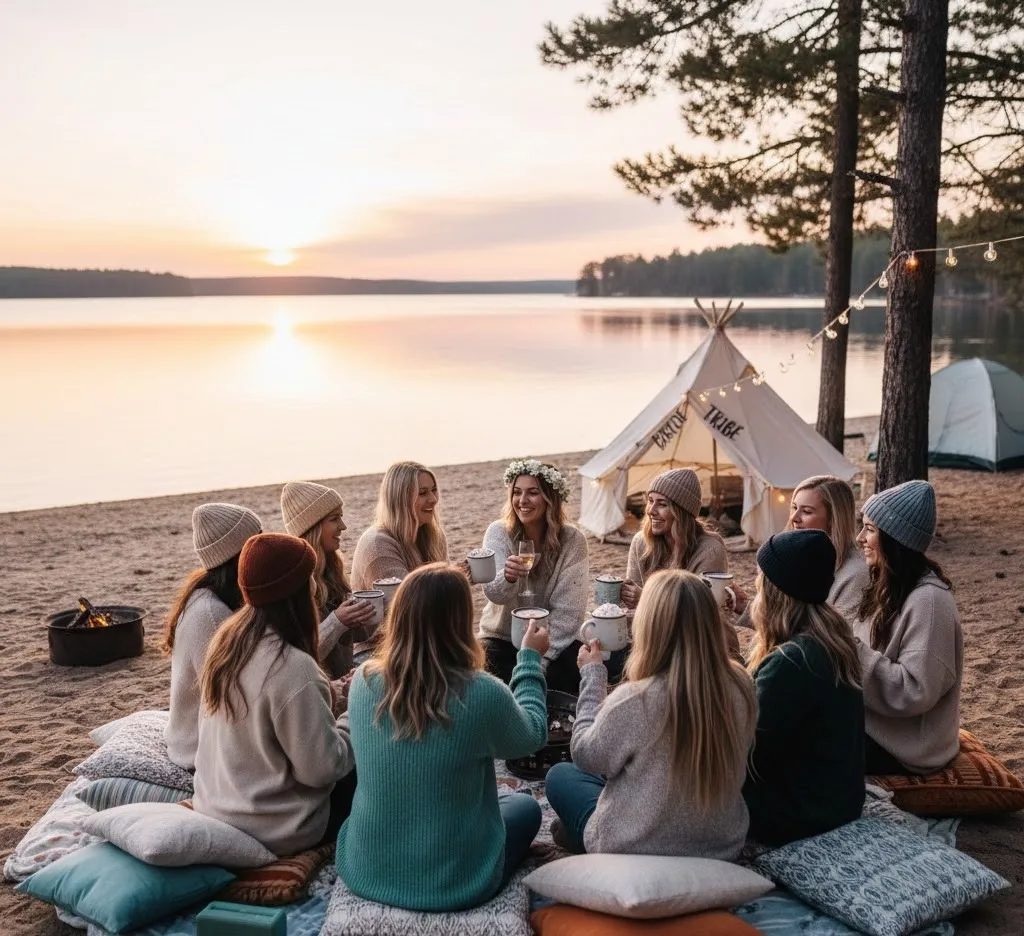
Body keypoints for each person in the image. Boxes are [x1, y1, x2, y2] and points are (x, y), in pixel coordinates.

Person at [337, 564, 548, 911]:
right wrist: (529, 659)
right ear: (461, 621)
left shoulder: (363, 681)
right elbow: (533, 734)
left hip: (366, 867)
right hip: (457, 882)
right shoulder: (481, 693)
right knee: (524, 806)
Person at [545, 569, 756, 858]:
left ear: (650, 625)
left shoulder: (636, 699)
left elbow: (585, 754)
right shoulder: (742, 684)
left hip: (635, 850)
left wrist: (593, 676)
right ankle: (575, 832)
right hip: (720, 846)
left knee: (561, 777)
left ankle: (579, 836)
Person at [193, 533, 356, 856]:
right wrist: (355, 711)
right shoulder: (293, 666)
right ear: (299, 588)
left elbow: (267, 718)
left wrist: (330, 695)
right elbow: (323, 770)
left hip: (217, 806)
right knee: (378, 762)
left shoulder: (228, 642)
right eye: (309, 576)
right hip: (277, 828)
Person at [742, 529, 866, 846]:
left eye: (760, 585)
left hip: (800, 816)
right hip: (839, 804)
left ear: (776, 592)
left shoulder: (791, 663)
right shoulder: (834, 638)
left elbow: (748, 755)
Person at [854, 479, 963, 775]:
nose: (860, 538)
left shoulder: (929, 602)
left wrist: (851, 650)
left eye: (871, 529)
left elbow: (915, 692)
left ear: (895, 539)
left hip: (907, 747)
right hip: (875, 724)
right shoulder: (887, 585)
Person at [477, 459, 592, 693]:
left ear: (550, 498)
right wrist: (508, 578)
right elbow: (494, 594)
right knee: (486, 673)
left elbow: (568, 614)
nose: (522, 501)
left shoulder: (573, 541)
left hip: (549, 640)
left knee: (574, 669)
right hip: (502, 638)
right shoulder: (498, 532)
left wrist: (537, 661)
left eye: (533, 493)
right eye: (517, 493)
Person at [163, 503, 262, 771]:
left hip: (203, 738)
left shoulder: (210, 596)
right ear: (237, 556)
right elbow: (238, 697)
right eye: (256, 542)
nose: (263, 549)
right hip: (198, 752)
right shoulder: (210, 614)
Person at [620, 468, 739, 661]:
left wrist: (646, 598)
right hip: (655, 637)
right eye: (650, 501)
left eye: (662, 504)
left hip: (702, 644)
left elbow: (700, 614)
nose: (651, 511)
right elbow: (630, 609)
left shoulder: (709, 549)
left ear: (681, 511)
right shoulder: (641, 542)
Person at [733, 474, 870, 625]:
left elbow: (839, 638)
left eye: (807, 511)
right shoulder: (790, 560)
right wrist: (744, 607)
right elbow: (783, 622)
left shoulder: (855, 574)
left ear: (834, 519)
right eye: (794, 507)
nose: (794, 518)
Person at [281, 481, 376, 681]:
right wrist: (338, 621)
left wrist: (369, 615)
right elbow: (298, 657)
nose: (343, 526)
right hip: (316, 689)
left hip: (344, 681)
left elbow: (354, 638)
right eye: (334, 519)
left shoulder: (332, 567)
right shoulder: (293, 579)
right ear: (312, 528)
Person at [350, 461, 452, 590]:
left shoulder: (433, 535)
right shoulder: (377, 544)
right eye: (422, 493)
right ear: (400, 499)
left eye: (434, 490)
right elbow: (407, 602)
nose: (433, 499)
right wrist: (453, 580)